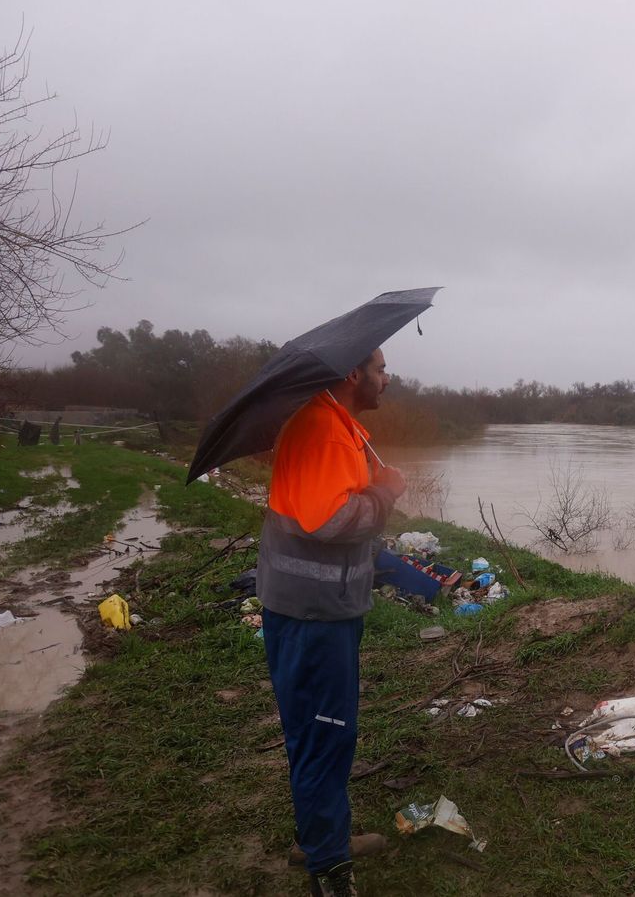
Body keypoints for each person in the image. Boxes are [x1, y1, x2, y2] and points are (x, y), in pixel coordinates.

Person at [258, 348, 406, 897]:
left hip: (307, 606)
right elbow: (334, 519)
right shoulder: (323, 429)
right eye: (380, 369)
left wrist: (372, 481)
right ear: (353, 373)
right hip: (314, 613)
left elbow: (326, 504)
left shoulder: (333, 425)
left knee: (313, 731)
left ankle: (319, 837)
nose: (387, 379)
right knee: (326, 733)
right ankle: (330, 872)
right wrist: (386, 492)